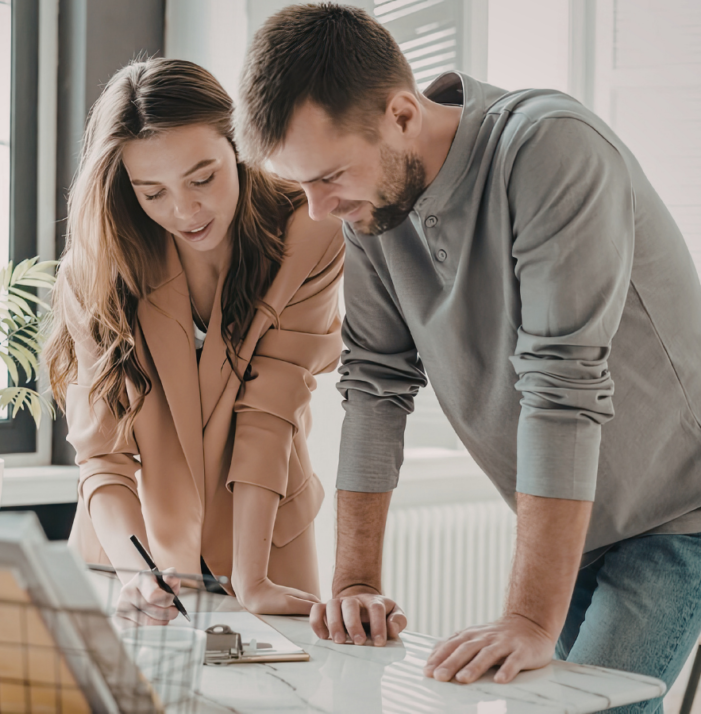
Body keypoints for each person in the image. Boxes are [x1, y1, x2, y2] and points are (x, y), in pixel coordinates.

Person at [234, 3, 701, 709]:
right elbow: (375, 384)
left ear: (400, 114)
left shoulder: (551, 148)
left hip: (677, 509)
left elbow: (561, 384)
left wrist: (528, 619)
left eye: (328, 176)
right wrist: (355, 583)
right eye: (301, 186)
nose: (318, 210)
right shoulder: (372, 209)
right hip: (581, 520)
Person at [45, 58, 344, 625]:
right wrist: (139, 575)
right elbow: (102, 457)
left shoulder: (310, 229)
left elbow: (271, 410)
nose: (184, 212)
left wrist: (252, 579)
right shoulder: (97, 268)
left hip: (265, 548)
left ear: (239, 144)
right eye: (152, 193)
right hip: (130, 554)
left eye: (202, 178)